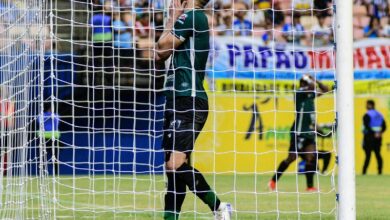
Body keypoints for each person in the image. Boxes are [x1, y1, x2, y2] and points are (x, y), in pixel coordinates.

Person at [155, 0, 232, 219]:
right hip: (175, 99)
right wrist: (172, 18)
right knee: (173, 170)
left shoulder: (192, 16)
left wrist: (172, 18)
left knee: (175, 163)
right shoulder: (185, 17)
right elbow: (158, 54)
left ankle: (219, 207)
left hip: (188, 99)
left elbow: (162, 48)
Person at [268, 74, 329, 192]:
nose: (305, 85)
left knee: (311, 157)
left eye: (305, 83)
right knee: (291, 158)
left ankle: (310, 186)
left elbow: (326, 89)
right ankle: (273, 181)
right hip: (298, 132)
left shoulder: (311, 94)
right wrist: (310, 81)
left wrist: (314, 79)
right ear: (301, 84)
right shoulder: (299, 93)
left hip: (309, 133)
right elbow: (311, 87)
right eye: (304, 83)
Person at [362, 100, 386, 175]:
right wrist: (379, 133)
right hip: (378, 137)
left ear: (370, 105)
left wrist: (373, 133)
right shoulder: (380, 114)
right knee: (378, 154)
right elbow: (384, 126)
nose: (366, 106)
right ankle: (380, 171)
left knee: (368, 155)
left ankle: (364, 172)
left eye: (367, 105)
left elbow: (366, 126)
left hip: (369, 137)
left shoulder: (367, 115)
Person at [38, 102, 61, 175]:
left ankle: (52, 173)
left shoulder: (42, 116)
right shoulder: (54, 116)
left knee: (48, 156)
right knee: (48, 156)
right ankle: (53, 173)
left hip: (48, 137)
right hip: (48, 137)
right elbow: (57, 123)